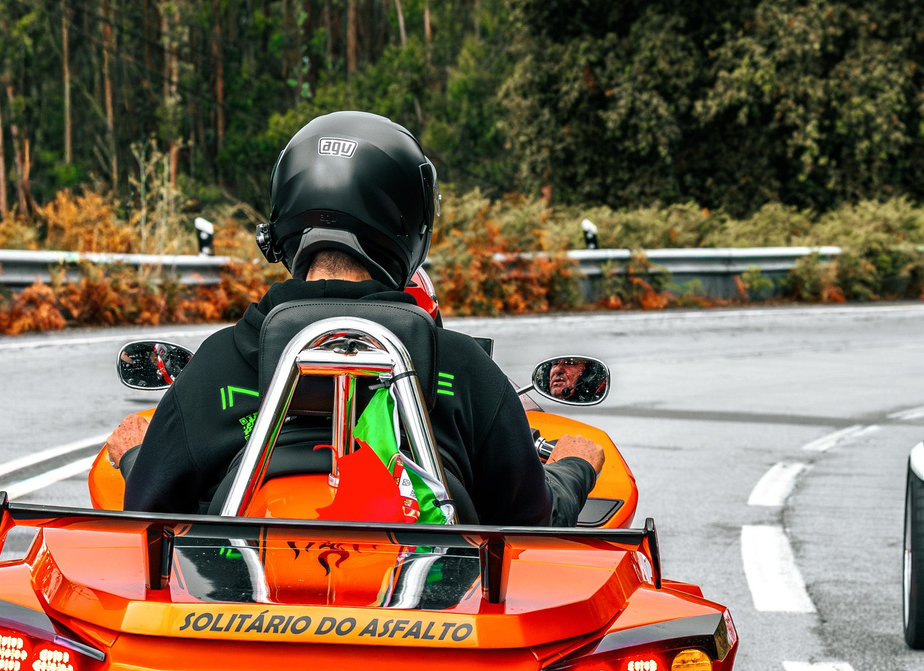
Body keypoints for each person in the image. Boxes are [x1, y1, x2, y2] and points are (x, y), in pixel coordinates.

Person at [107, 111, 605, 523]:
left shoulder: (220, 362)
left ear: (283, 219)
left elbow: (147, 512)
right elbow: (532, 525)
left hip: (247, 606)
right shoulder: (462, 367)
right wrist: (575, 467)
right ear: (413, 224)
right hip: (431, 608)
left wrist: (134, 454)